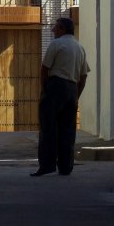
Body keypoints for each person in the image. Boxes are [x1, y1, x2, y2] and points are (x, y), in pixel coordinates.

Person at [31, 16, 89, 177]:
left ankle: (47, 165)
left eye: (56, 27)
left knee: (48, 128)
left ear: (62, 29)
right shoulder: (80, 48)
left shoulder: (56, 44)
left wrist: (44, 89)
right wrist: (76, 94)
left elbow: (44, 68)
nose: (53, 30)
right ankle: (66, 166)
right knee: (68, 130)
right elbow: (84, 76)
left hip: (55, 86)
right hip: (72, 88)